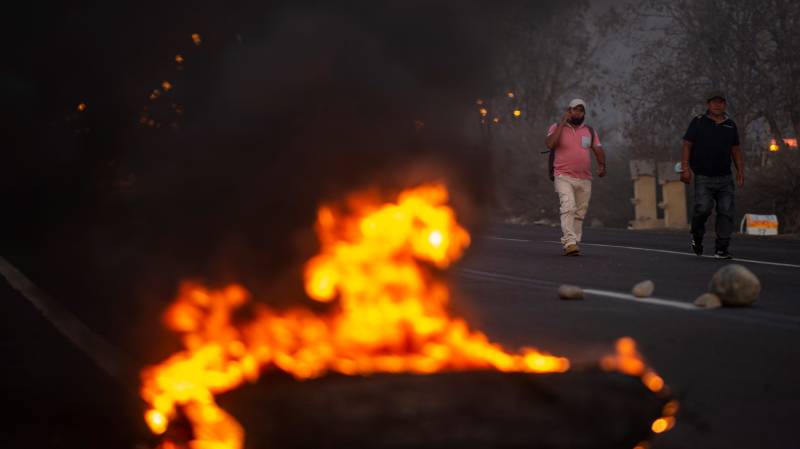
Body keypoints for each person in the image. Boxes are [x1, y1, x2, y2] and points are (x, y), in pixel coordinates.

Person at [680, 91, 744, 259]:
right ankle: (697, 236)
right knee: (703, 209)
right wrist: (685, 168)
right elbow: (687, 145)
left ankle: (722, 248)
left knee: (726, 211)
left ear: (725, 105)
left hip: (724, 177)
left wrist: (740, 171)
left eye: (721, 102)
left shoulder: (731, 125)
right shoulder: (698, 122)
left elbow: (735, 150)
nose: (717, 105)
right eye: (714, 102)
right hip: (703, 176)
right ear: (708, 104)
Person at [545, 98, 606, 256]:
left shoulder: (589, 131)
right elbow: (550, 144)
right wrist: (562, 123)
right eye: (574, 109)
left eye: (580, 110)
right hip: (563, 176)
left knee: (579, 213)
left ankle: (574, 243)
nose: (577, 112)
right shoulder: (557, 127)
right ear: (568, 111)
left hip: (585, 178)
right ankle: (569, 242)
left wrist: (601, 165)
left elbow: (598, 149)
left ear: (584, 113)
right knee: (568, 207)